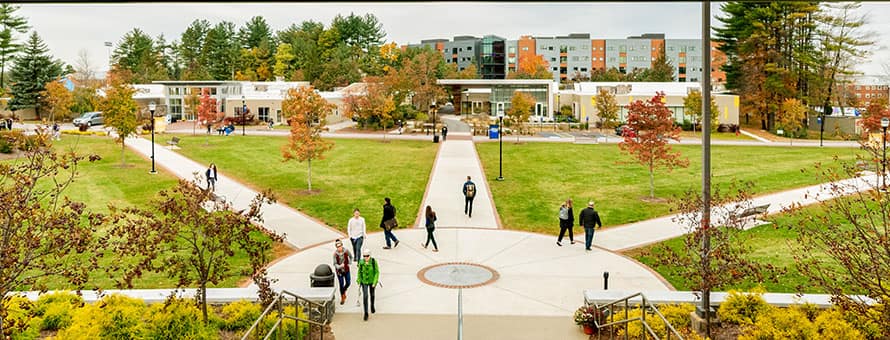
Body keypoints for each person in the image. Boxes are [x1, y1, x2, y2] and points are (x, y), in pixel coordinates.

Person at [357, 249, 379, 321]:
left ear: (370, 255)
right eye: (364, 256)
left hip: (372, 281)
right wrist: (359, 280)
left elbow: (377, 272)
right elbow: (359, 272)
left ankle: (372, 305)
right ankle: (366, 313)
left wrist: (374, 282)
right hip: (364, 282)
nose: (366, 257)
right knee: (365, 296)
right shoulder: (361, 262)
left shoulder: (373, 262)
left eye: (367, 256)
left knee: (372, 294)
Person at [332, 239, 353, 305]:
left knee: (348, 282)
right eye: (338, 247)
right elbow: (335, 264)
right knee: (341, 284)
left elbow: (351, 257)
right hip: (339, 271)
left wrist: (349, 263)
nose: (339, 248)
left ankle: (344, 290)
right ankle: (342, 297)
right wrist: (340, 266)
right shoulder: (335, 254)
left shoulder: (346, 251)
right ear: (336, 247)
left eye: (340, 246)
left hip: (346, 269)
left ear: (342, 245)